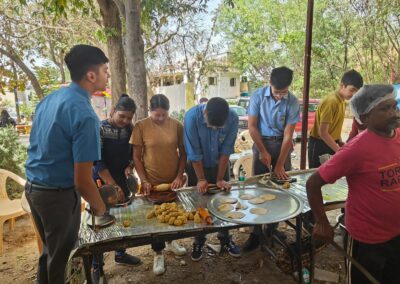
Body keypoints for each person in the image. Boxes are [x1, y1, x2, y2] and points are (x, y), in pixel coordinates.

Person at [25, 44, 107, 284]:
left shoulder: (51, 99)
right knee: (62, 259)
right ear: (91, 75)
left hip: (34, 189)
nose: (107, 75)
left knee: (49, 253)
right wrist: (100, 207)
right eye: (104, 70)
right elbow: (82, 181)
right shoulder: (85, 114)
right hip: (56, 197)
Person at [306, 85, 400, 284]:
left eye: (394, 106)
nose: (393, 113)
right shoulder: (355, 150)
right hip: (367, 239)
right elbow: (313, 183)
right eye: (384, 109)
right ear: (364, 118)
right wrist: (322, 222)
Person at [242, 66, 300, 252]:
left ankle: (272, 229)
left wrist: (281, 163)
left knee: (281, 189)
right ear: (270, 84)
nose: (279, 96)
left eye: (283, 92)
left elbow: (288, 135)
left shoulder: (292, 101)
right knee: (258, 189)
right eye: (276, 92)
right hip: (261, 141)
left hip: (282, 146)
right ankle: (256, 232)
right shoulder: (258, 96)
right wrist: (262, 151)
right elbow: (252, 126)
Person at [131, 94, 187, 275]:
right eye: (157, 115)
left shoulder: (177, 125)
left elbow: (183, 153)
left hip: (173, 182)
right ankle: (158, 253)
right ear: (150, 111)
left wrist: (179, 176)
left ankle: (171, 243)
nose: (161, 118)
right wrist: (144, 180)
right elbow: (136, 157)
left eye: (164, 115)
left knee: (172, 214)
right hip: (152, 182)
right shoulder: (141, 126)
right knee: (156, 221)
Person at [91, 94, 141, 283]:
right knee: (101, 223)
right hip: (101, 181)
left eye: (129, 117)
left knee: (121, 219)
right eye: (122, 116)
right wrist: (112, 185)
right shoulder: (100, 129)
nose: (125, 121)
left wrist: (130, 167)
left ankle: (120, 253)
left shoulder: (130, 129)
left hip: (122, 179)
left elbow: (132, 154)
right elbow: (97, 161)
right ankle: (97, 265)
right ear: (112, 111)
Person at [184, 97, 241, 261]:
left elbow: (226, 150)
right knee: (200, 204)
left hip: (219, 164)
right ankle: (199, 241)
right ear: (205, 112)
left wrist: (220, 178)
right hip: (197, 166)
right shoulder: (191, 118)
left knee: (224, 202)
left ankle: (225, 238)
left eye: (218, 127)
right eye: (211, 126)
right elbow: (194, 153)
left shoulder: (233, 118)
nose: (215, 129)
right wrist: (201, 179)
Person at [308, 70, 363, 168]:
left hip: (331, 142)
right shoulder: (331, 101)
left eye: (356, 92)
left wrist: (340, 141)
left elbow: (334, 126)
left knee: (330, 176)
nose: (353, 94)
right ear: (342, 85)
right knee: (318, 175)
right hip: (319, 144)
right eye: (352, 90)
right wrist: (338, 151)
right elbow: (323, 132)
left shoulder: (342, 101)